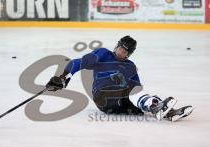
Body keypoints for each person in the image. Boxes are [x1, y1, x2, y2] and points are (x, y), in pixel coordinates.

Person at [46, 36, 193, 122]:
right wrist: (64, 77)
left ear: (129, 54)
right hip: (103, 97)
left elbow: (137, 90)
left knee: (144, 96)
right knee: (133, 92)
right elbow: (78, 62)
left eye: (125, 51)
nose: (121, 51)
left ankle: (168, 112)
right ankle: (156, 108)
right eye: (120, 47)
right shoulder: (103, 54)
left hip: (120, 102)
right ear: (116, 46)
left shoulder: (130, 66)